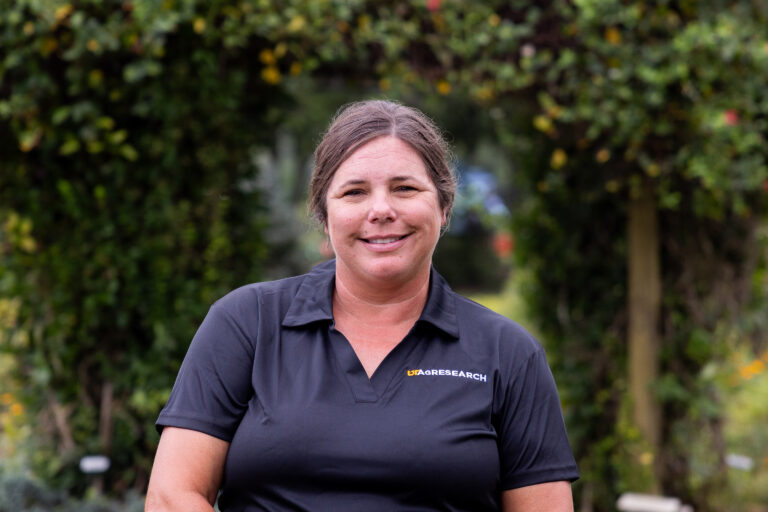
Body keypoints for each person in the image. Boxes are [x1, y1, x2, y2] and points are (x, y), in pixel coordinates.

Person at [146, 100, 578, 511]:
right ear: (324, 213)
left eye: (405, 188)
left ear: (443, 207)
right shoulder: (247, 323)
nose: (381, 210)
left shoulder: (508, 353)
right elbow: (171, 497)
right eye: (354, 192)